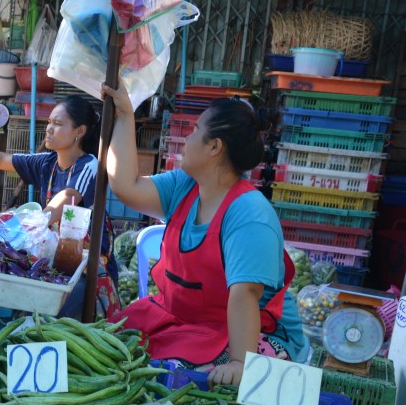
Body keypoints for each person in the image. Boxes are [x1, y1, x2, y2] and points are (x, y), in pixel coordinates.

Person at [103, 82, 307, 388]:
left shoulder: (249, 214)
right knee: (111, 347)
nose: (187, 139)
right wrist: (124, 114)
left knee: (170, 375)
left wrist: (240, 363)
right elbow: (125, 186)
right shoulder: (184, 185)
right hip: (187, 321)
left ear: (214, 147)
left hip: (248, 333)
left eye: (195, 130)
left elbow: (245, 295)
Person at [0, 95, 120, 319]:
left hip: (88, 268)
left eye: (58, 123)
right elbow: (3, 160)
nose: (49, 129)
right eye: (49, 122)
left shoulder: (89, 165)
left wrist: (35, 223)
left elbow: (68, 196)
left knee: (56, 317)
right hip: (58, 257)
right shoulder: (48, 163)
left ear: (80, 131)